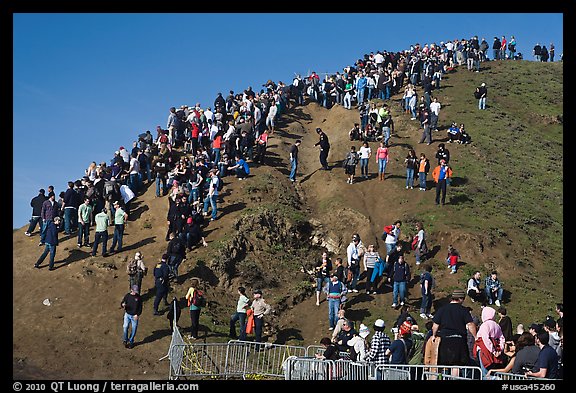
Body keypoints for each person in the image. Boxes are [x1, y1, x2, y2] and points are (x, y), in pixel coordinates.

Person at [431, 289, 478, 376]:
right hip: (459, 340)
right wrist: (475, 337)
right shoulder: (463, 310)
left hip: (445, 339)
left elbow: (435, 325)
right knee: (456, 364)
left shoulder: (442, 309)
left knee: (444, 364)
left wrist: (434, 335)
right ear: (460, 299)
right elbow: (471, 324)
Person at [474, 306, 506, 377]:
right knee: (493, 371)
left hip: (485, 350)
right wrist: (500, 349)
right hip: (496, 350)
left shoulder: (484, 325)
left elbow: (485, 339)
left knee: (485, 373)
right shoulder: (497, 325)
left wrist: (493, 351)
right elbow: (502, 338)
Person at [121, 285, 143, 349]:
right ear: (131, 290)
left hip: (134, 316)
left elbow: (140, 307)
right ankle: (125, 339)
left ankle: (131, 342)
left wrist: (137, 314)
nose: (135, 293)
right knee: (125, 327)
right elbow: (123, 302)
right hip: (127, 314)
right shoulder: (127, 296)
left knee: (134, 329)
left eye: (136, 291)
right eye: (134, 291)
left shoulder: (138, 298)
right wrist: (123, 305)